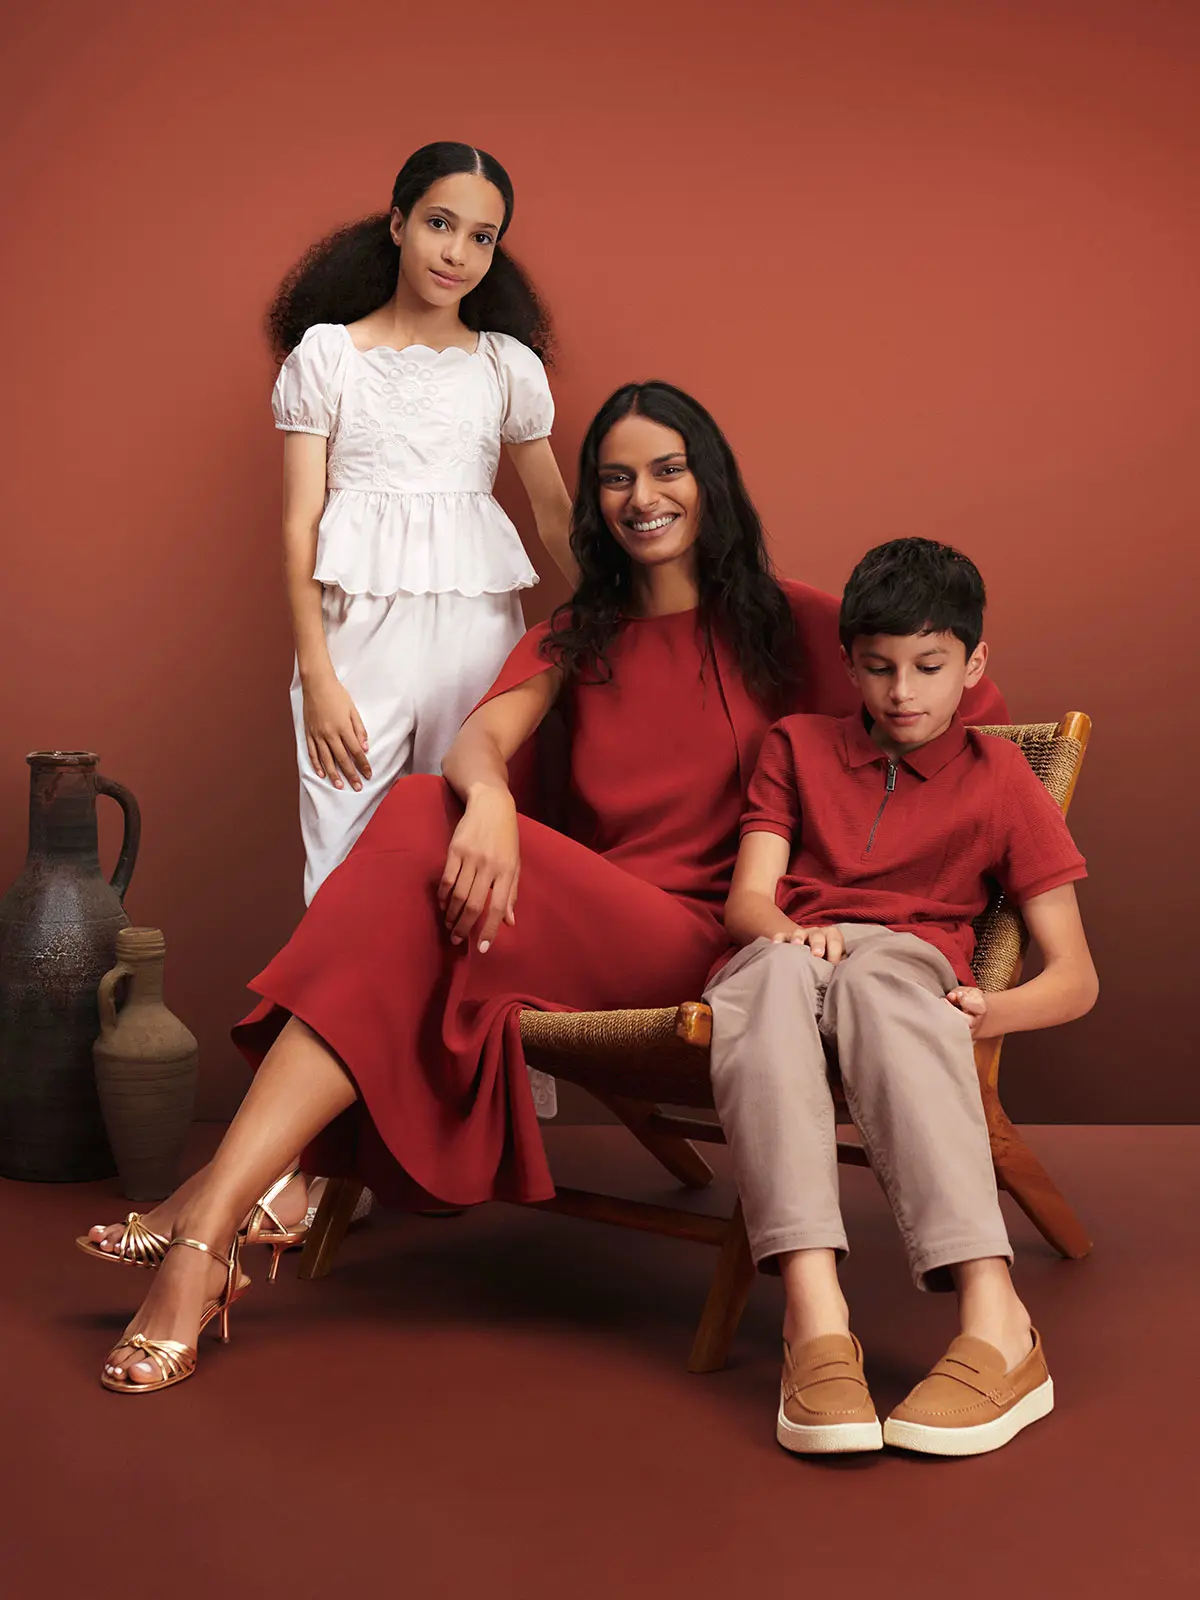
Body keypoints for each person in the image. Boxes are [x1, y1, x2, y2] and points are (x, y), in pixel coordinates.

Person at [81, 387, 1007, 1395]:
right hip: (593, 923)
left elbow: (961, 714)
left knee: (405, 833)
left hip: (723, 948)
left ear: (711, 480)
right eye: (615, 476)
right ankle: (224, 1216)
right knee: (422, 828)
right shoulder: (585, 631)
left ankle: (213, 1213)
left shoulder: (794, 623)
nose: (640, 495)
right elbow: (482, 741)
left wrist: (859, 893)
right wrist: (484, 804)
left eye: (667, 469)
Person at [704, 537, 1098, 1457]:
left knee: (883, 975)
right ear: (848, 662)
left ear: (975, 664)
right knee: (763, 978)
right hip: (795, 954)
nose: (903, 693)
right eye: (878, 669)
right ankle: (816, 1320)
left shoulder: (1003, 780)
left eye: (929, 667)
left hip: (910, 969)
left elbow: (1076, 978)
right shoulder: (796, 746)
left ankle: (998, 1324)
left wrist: (990, 1012)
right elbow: (746, 902)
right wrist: (787, 934)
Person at [268, 139, 574, 904]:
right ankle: (332, 1027)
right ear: (399, 223)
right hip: (354, 639)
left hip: (477, 636)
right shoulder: (328, 357)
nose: (458, 253)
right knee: (341, 870)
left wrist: (627, 611)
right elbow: (300, 523)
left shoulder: (505, 365)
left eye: (482, 237)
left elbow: (553, 512)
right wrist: (317, 672)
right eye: (442, 224)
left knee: (462, 858)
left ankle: (445, 1026)